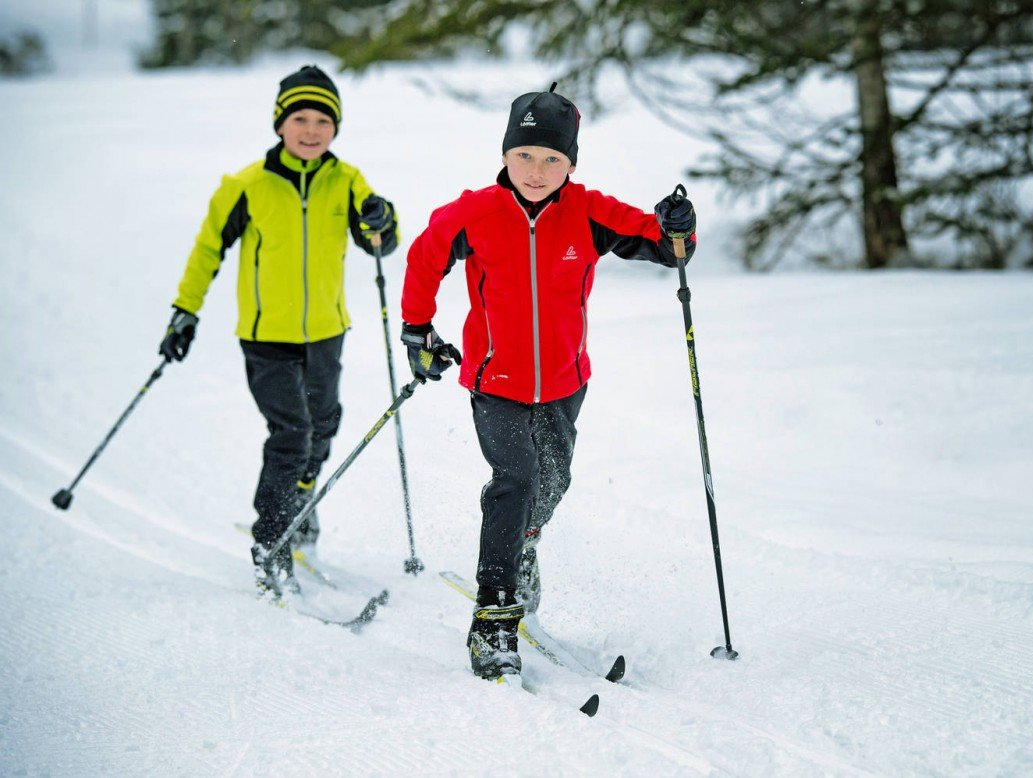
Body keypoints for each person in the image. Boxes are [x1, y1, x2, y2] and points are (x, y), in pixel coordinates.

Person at [400, 83, 697, 678]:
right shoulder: (476, 213)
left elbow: (666, 249)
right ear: (506, 155)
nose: (536, 171)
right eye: (524, 157)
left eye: (552, 160)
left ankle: (525, 545)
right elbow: (424, 256)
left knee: (552, 483)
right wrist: (417, 329)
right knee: (516, 478)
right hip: (495, 380)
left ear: (571, 163)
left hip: (564, 381)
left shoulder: (588, 213)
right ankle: (493, 620)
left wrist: (678, 228)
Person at [158, 65, 400, 599]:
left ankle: (301, 508)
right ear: (279, 124)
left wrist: (381, 219)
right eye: (299, 119)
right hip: (267, 337)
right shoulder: (247, 185)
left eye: (322, 120)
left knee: (324, 427)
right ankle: (271, 542)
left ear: (335, 127)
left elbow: (380, 240)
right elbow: (208, 251)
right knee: (291, 436)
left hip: (326, 332)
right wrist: (185, 310)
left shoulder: (348, 179)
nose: (311, 131)